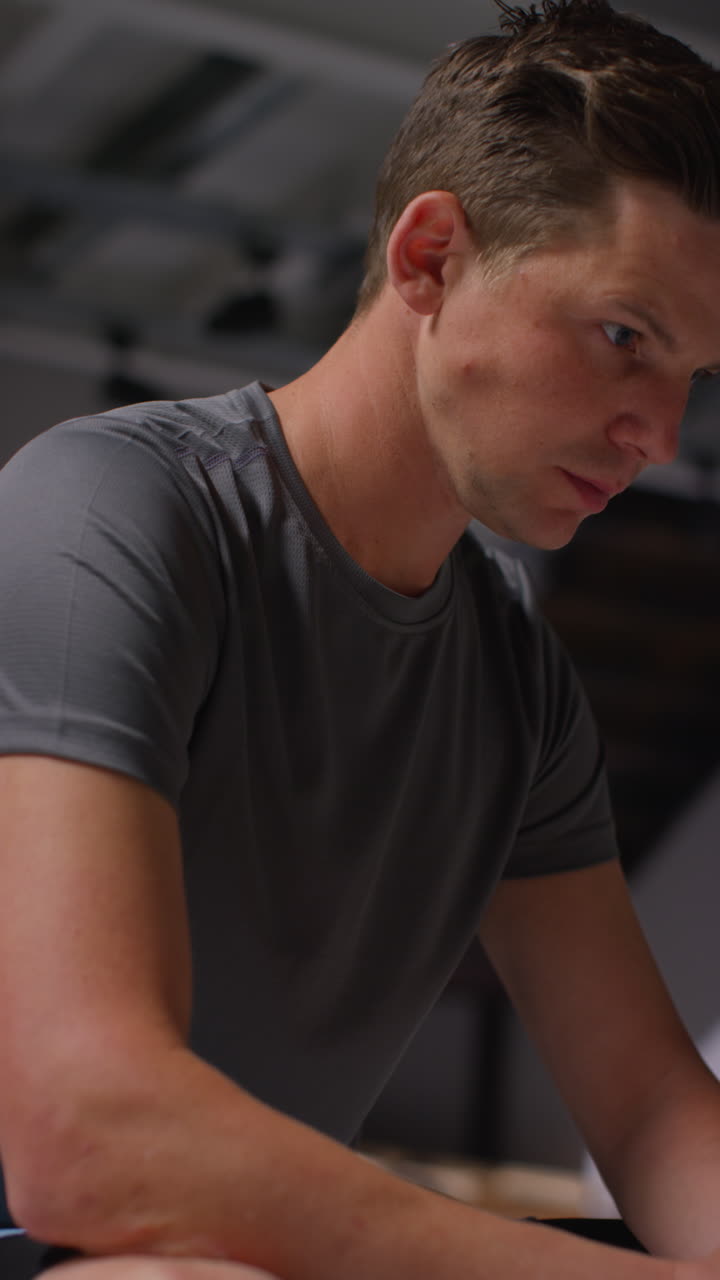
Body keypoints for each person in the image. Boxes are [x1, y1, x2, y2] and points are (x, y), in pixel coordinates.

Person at [3, 1, 720, 1278]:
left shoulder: (514, 680)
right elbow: (87, 1135)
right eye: (624, 337)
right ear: (430, 258)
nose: (660, 436)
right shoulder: (112, 512)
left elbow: (654, 1109)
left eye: (694, 379)